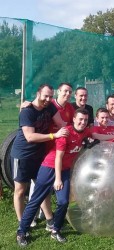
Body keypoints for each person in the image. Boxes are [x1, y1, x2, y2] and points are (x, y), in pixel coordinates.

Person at [16, 108, 91, 247]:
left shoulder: (85, 131)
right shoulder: (65, 133)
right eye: (80, 119)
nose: (83, 122)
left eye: (85, 120)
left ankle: (55, 230)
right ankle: (21, 231)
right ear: (73, 119)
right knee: (36, 200)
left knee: (63, 202)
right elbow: (58, 157)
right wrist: (57, 179)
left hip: (65, 170)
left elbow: (98, 134)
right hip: (49, 168)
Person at [10, 84, 68, 229]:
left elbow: (61, 124)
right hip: (22, 155)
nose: (48, 99)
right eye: (45, 96)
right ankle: (22, 222)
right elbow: (30, 137)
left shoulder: (50, 107)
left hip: (40, 155)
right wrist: (54, 135)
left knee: (43, 187)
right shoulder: (27, 111)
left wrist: (77, 131)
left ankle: (49, 220)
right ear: (38, 94)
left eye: (50, 96)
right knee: (20, 190)